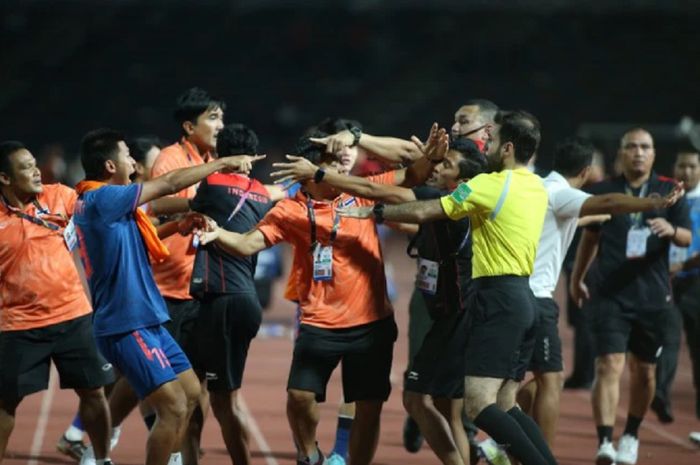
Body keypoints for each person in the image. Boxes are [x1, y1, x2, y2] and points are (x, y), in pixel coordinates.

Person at [194, 124, 443, 465]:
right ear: (310, 172)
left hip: (371, 323)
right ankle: (309, 454)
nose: (342, 168)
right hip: (319, 322)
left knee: (368, 407)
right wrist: (218, 233)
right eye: (331, 164)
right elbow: (248, 243)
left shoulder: (362, 191)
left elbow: (415, 173)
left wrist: (431, 156)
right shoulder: (290, 210)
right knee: (299, 397)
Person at [338, 110, 558, 465]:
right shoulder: (535, 184)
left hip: (496, 299)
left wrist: (375, 214)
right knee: (505, 405)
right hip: (523, 298)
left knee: (479, 405)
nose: (487, 144)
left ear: (508, 148)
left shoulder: (490, 184)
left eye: (494, 139)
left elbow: (430, 210)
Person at [272, 136, 486, 465]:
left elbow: (395, 187)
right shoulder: (299, 205)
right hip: (432, 309)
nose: (438, 168)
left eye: (446, 165)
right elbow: (405, 190)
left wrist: (373, 203)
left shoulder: (452, 198)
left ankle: (501, 448)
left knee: (444, 402)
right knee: (438, 402)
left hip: (452, 313)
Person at [71, 128, 260, 465]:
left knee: (189, 395)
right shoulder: (103, 198)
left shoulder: (104, 203)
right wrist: (225, 163)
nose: (133, 159)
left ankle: (104, 452)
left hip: (149, 317)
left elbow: (142, 236)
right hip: (127, 323)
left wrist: (178, 225)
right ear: (110, 166)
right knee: (172, 408)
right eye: (126, 153)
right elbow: (170, 184)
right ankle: (98, 450)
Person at [517, 137, 683, 448]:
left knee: (514, 380)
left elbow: (589, 215)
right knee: (550, 380)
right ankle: (534, 453)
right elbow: (607, 203)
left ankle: (499, 440)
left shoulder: (534, 188)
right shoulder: (565, 194)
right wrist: (654, 202)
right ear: (587, 170)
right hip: (538, 298)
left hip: (507, 292)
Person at [569, 128, 691, 465]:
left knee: (645, 372)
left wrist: (672, 230)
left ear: (653, 154)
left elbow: (686, 237)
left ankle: (632, 434)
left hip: (651, 297)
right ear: (621, 153)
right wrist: (577, 278)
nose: (638, 153)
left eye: (645, 147)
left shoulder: (670, 190)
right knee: (608, 365)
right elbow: (590, 239)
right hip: (608, 293)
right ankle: (605, 442)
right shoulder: (604, 191)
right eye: (632, 147)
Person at [0, 141, 114, 464]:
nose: (36, 170)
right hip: (20, 325)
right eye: (25, 167)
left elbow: (103, 206)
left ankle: (103, 459)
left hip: (73, 315)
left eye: (35, 163)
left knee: (94, 392)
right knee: (5, 403)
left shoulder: (60, 196)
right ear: (5, 179)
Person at [58, 135, 164, 459]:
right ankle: (102, 444)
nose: (160, 168)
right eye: (155, 162)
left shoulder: (124, 199)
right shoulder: (118, 197)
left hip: (134, 302)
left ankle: (83, 435)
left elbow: (150, 230)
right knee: (137, 379)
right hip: (125, 307)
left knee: (121, 377)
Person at [187, 123, 286, 465]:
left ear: (218, 155)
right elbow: (276, 192)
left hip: (225, 299)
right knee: (191, 393)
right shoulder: (260, 192)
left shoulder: (211, 183)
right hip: (231, 299)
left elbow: (186, 203)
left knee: (224, 402)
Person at [652, 147, 700, 423]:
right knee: (668, 339)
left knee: (697, 350)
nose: (687, 172)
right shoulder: (666, 199)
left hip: (696, 282)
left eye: (693, 166)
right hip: (667, 281)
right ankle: (661, 395)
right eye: (682, 166)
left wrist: (683, 265)